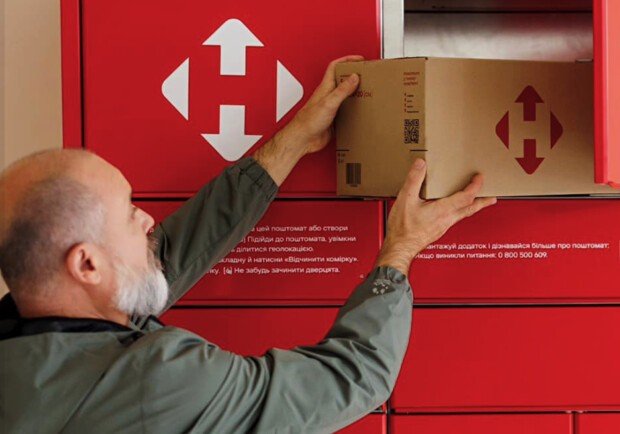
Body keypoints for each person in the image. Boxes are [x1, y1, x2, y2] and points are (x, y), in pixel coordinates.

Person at [0, 56, 496, 433]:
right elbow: (351, 378)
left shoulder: (31, 333)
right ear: (86, 264)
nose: (147, 220)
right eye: (130, 213)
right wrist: (401, 249)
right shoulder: (159, 383)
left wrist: (296, 139)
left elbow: (160, 263)